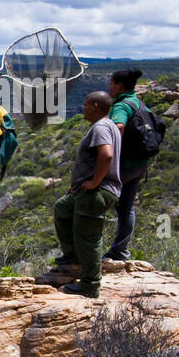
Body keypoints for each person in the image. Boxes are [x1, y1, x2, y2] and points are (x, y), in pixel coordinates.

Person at [49, 91, 122, 298]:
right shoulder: (109, 126)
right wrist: (80, 183)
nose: (83, 108)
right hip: (88, 190)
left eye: (86, 104)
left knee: (88, 238)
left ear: (95, 105)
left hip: (97, 192)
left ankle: (90, 285)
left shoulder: (100, 127)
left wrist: (94, 182)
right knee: (63, 208)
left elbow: (106, 155)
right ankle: (73, 258)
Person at [104, 67, 148, 260]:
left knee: (95, 201)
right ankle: (121, 250)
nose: (109, 87)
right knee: (127, 207)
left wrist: (109, 154)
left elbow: (119, 126)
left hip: (124, 165)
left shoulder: (121, 106)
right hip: (140, 164)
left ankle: (84, 252)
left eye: (111, 83)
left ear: (120, 86)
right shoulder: (138, 103)